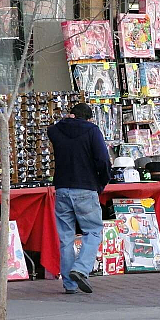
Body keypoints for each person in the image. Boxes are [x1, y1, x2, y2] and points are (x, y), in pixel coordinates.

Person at [48, 103, 111, 293]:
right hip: (86, 187)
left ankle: (69, 284)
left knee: (65, 237)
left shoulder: (55, 131)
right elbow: (103, 160)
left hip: (62, 188)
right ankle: (81, 268)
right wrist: (101, 183)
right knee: (93, 231)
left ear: (72, 114)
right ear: (89, 118)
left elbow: (55, 128)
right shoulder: (92, 131)